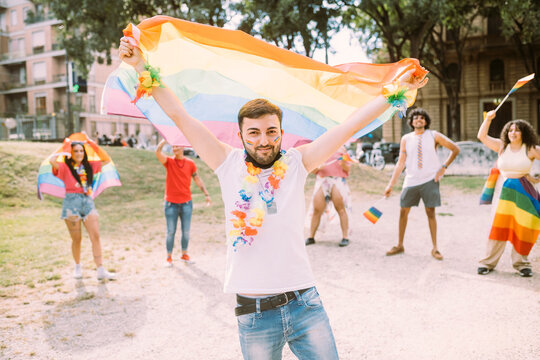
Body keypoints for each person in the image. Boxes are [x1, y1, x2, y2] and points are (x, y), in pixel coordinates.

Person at [119, 37, 426, 359]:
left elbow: (349, 126)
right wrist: (140, 65)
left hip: (305, 304)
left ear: (281, 132)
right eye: (254, 132)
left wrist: (398, 89)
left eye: (271, 131)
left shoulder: (298, 162)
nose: (263, 141)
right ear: (240, 136)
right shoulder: (226, 162)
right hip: (254, 313)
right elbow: (181, 116)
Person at [384, 108, 460, 260]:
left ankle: (435, 248)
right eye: (416, 118)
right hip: (411, 180)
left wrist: (443, 168)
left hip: (430, 179)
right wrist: (390, 184)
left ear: (426, 121)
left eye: (422, 118)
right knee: (403, 212)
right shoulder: (406, 138)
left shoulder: (434, 135)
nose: (419, 120)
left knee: (430, 212)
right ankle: (399, 244)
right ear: (411, 122)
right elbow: (400, 163)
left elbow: (455, 149)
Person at [476, 111, 540, 277]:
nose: (513, 133)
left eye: (517, 130)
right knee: (498, 227)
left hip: (524, 193)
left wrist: (535, 179)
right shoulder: (502, 147)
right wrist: (488, 119)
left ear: (524, 132)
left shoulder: (531, 149)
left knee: (522, 227)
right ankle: (487, 262)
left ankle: (522, 264)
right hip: (503, 192)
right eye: (510, 130)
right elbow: (482, 136)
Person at [49, 137, 116, 280]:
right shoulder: (64, 167)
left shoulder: (89, 166)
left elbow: (106, 159)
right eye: (75, 151)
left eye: (81, 151)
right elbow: (52, 160)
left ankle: (100, 269)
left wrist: (91, 143)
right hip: (71, 203)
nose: (79, 153)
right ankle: (78, 267)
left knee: (95, 236)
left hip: (87, 200)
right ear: (71, 153)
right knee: (77, 239)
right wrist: (65, 147)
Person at [155, 139, 211, 266]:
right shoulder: (168, 161)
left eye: (177, 146)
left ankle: (184, 255)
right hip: (171, 204)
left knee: (186, 231)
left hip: (186, 203)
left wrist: (206, 194)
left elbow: (197, 179)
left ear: (183, 147)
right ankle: (168, 257)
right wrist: (164, 140)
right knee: (170, 231)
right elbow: (157, 152)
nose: (175, 148)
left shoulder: (190, 163)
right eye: (173, 146)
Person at [305, 148, 352, 247]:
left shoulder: (342, 149)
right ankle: (311, 236)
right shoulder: (320, 149)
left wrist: (342, 163)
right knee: (317, 209)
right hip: (322, 180)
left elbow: (348, 168)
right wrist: (318, 168)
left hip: (337, 180)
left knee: (341, 209)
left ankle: (345, 237)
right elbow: (312, 170)